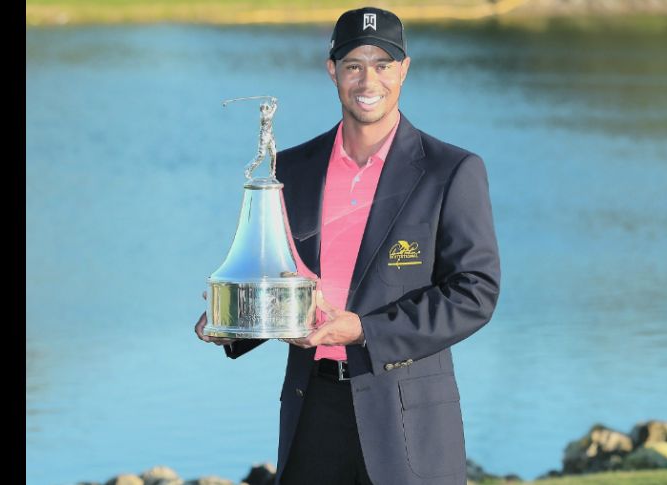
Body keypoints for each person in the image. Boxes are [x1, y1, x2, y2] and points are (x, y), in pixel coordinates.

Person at [194, 6, 501, 485]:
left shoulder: (451, 171)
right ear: (332, 70)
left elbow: (474, 294)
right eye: (353, 64)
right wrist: (235, 320)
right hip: (313, 409)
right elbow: (279, 278)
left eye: (382, 64)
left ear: (404, 70)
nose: (367, 79)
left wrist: (362, 331)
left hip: (407, 417)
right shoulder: (291, 169)